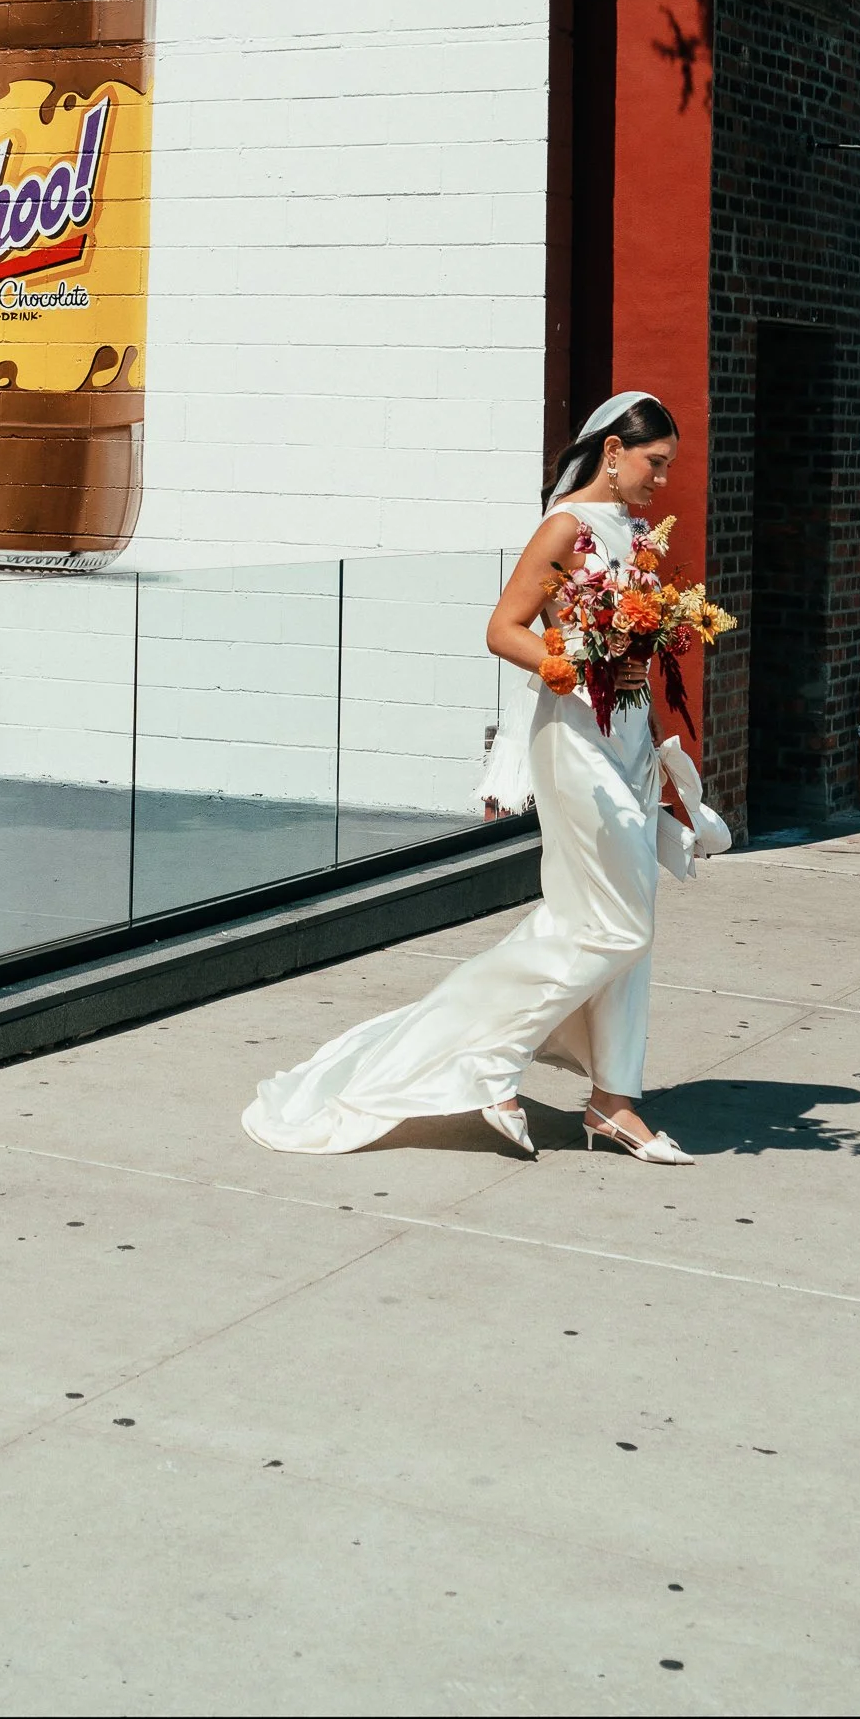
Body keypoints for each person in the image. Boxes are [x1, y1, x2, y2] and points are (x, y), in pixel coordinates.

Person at [242, 393, 718, 1166]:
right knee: (613, 924)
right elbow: (503, 629)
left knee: (628, 923)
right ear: (611, 453)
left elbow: (631, 645)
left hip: (627, 741)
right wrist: (573, 665)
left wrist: (649, 704)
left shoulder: (633, 533)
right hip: (575, 741)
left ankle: (613, 1101)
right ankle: (487, 1055)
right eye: (652, 463)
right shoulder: (565, 526)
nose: (661, 479)